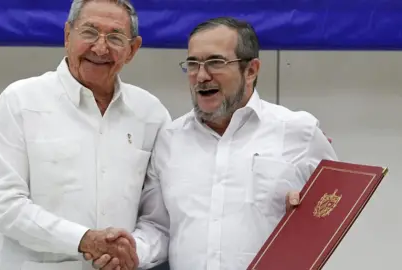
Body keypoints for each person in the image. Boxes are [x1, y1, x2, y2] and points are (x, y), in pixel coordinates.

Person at [92, 17, 338, 270]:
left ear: (251, 70)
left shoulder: (300, 132)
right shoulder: (170, 140)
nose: (201, 75)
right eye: (193, 64)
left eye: (215, 62)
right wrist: (131, 250)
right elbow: (160, 228)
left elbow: (337, 211)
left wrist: (308, 219)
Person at [0, 0, 170, 269]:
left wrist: (132, 252)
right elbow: (4, 206)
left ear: (132, 49)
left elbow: (158, 219)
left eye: (116, 37)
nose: (100, 47)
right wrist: (83, 240)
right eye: (89, 32)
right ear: (67, 36)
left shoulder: (150, 113)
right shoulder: (21, 101)